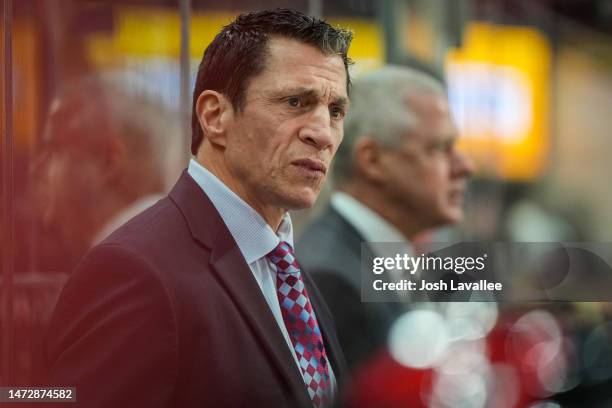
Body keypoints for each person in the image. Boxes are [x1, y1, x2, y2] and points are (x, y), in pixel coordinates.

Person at [45, 9, 352, 408]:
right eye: (295, 101)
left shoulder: (284, 265)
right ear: (214, 116)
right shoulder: (134, 271)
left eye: (336, 111)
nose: (323, 134)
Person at [296, 65, 474, 372]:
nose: (464, 166)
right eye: (440, 149)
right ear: (373, 160)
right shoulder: (331, 279)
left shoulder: (367, 258)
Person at [34, 72, 183, 269]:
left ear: (109, 163)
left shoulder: (118, 268)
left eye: (56, 151)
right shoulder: (168, 248)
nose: (36, 168)